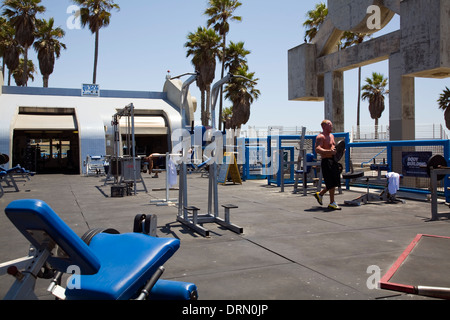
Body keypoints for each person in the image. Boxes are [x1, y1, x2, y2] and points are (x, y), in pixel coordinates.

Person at [314, 120, 342, 210]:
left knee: (335, 181)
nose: (332, 126)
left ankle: (321, 194)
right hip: (326, 161)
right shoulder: (320, 137)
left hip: (333, 160)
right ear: (324, 126)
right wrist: (329, 152)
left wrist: (340, 151)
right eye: (330, 125)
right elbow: (317, 149)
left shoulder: (332, 136)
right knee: (331, 181)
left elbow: (334, 147)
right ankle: (332, 202)